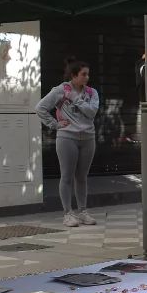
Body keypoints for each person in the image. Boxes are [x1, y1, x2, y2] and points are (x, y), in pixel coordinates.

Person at [36, 57, 100, 227]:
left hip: (88, 138)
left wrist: (76, 99)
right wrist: (55, 124)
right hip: (67, 138)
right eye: (83, 74)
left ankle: (83, 211)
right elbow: (40, 107)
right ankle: (68, 213)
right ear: (73, 75)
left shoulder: (92, 93)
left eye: (88, 74)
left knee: (82, 177)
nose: (87, 78)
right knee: (66, 176)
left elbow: (92, 112)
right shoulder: (61, 90)